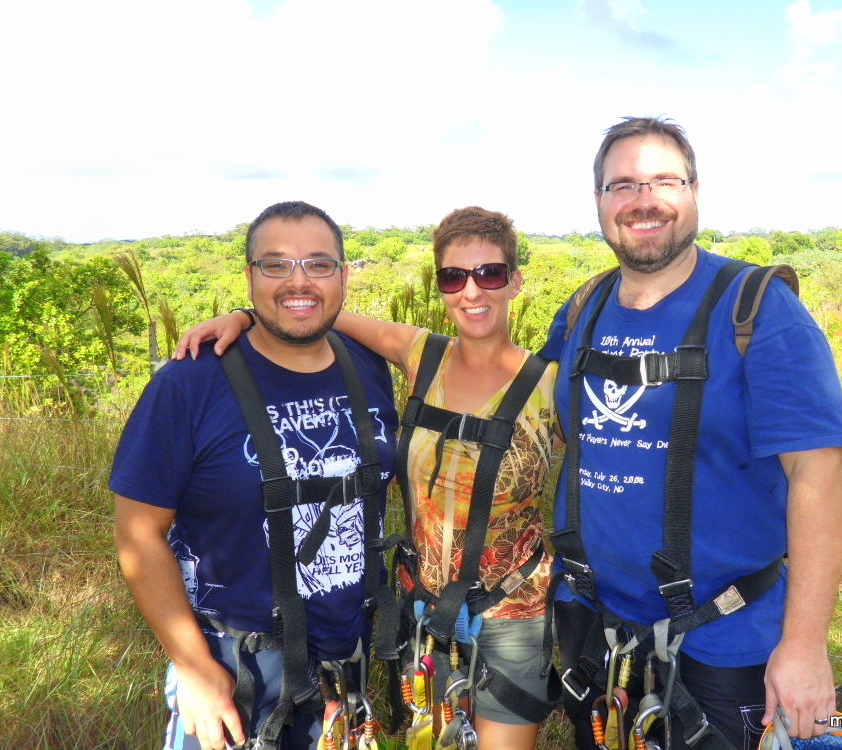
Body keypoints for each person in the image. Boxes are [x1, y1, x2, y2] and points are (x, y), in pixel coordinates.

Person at [175, 207, 560, 750]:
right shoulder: (420, 355)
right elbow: (312, 315)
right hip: (423, 609)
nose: (472, 291)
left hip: (513, 608)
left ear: (515, 281)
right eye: (454, 276)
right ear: (441, 286)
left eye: (490, 273)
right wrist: (241, 316)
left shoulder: (551, 384)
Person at [538, 117, 842, 749]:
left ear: (695, 191)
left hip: (723, 642)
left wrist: (803, 646)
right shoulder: (583, 308)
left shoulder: (758, 310)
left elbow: (816, 477)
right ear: (598, 201)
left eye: (664, 180)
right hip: (598, 632)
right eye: (621, 184)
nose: (642, 199)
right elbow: (544, 417)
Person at [111, 201, 398, 750]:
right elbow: (137, 534)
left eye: (319, 264)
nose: (299, 281)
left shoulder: (366, 365)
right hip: (232, 671)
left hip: (343, 667)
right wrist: (193, 666)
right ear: (248, 277)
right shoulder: (188, 384)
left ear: (343, 275)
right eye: (275, 265)